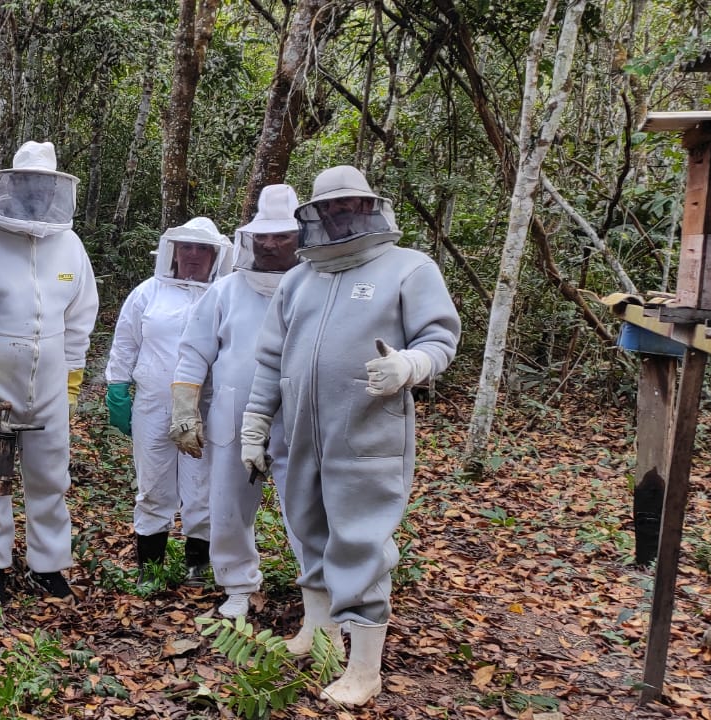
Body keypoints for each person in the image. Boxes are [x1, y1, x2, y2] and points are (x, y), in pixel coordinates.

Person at [241, 166, 460, 706]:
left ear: (369, 206)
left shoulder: (410, 268)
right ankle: (319, 634)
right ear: (316, 214)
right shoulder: (299, 279)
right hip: (301, 435)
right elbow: (270, 360)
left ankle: (364, 669)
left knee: (360, 540)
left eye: (349, 204)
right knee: (308, 530)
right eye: (330, 206)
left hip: (368, 433)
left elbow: (439, 338)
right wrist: (255, 423)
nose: (340, 213)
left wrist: (409, 365)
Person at [0, 141, 99, 603]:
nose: (36, 195)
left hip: (51, 383)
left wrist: (72, 379)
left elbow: (80, 318)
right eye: (29, 185)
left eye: (44, 187)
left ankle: (48, 567)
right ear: (11, 185)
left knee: (50, 477)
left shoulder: (70, 246)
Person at [170, 184, 302, 619]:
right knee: (228, 504)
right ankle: (237, 586)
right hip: (232, 414)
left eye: (281, 236)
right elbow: (194, 351)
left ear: (300, 237)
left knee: (305, 506)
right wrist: (185, 410)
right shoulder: (225, 290)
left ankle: (320, 591)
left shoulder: (315, 286)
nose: (269, 244)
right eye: (263, 236)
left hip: (298, 417)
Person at [105, 217, 232, 585]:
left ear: (215, 255)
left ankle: (197, 569)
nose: (193, 254)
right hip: (153, 403)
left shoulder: (226, 294)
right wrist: (117, 387)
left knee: (202, 487)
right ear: (172, 252)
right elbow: (125, 342)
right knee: (153, 486)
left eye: (202, 248)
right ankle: (151, 570)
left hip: (206, 408)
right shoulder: (148, 292)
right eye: (186, 247)